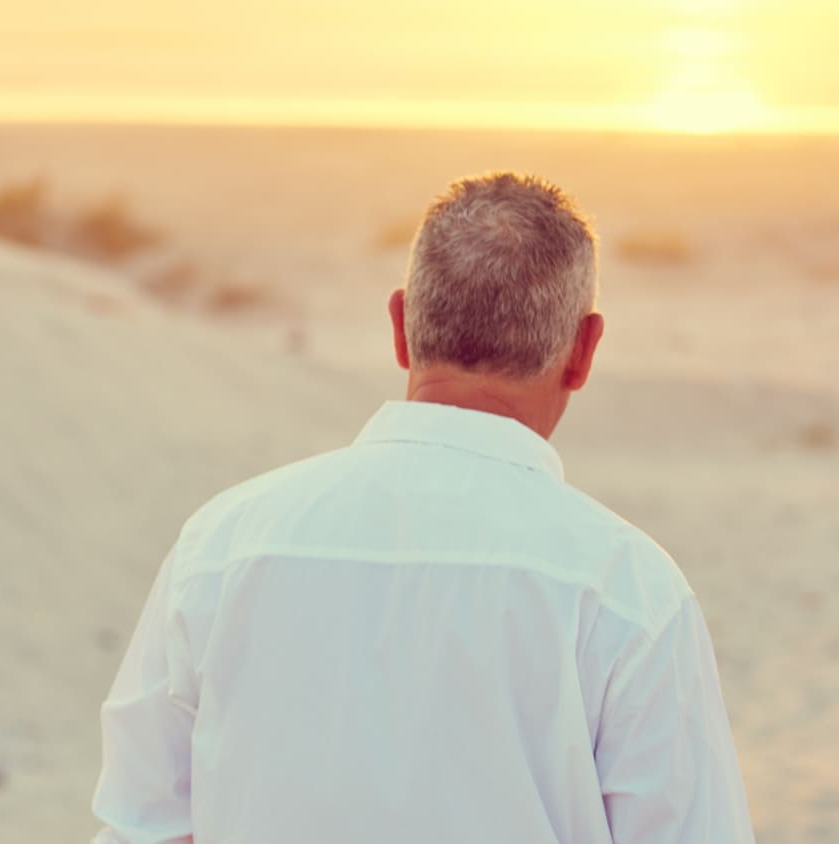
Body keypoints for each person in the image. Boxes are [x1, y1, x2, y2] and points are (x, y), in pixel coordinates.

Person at [91, 172, 754, 843]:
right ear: (583, 352)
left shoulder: (220, 548)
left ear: (402, 328)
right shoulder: (628, 591)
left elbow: (141, 827)